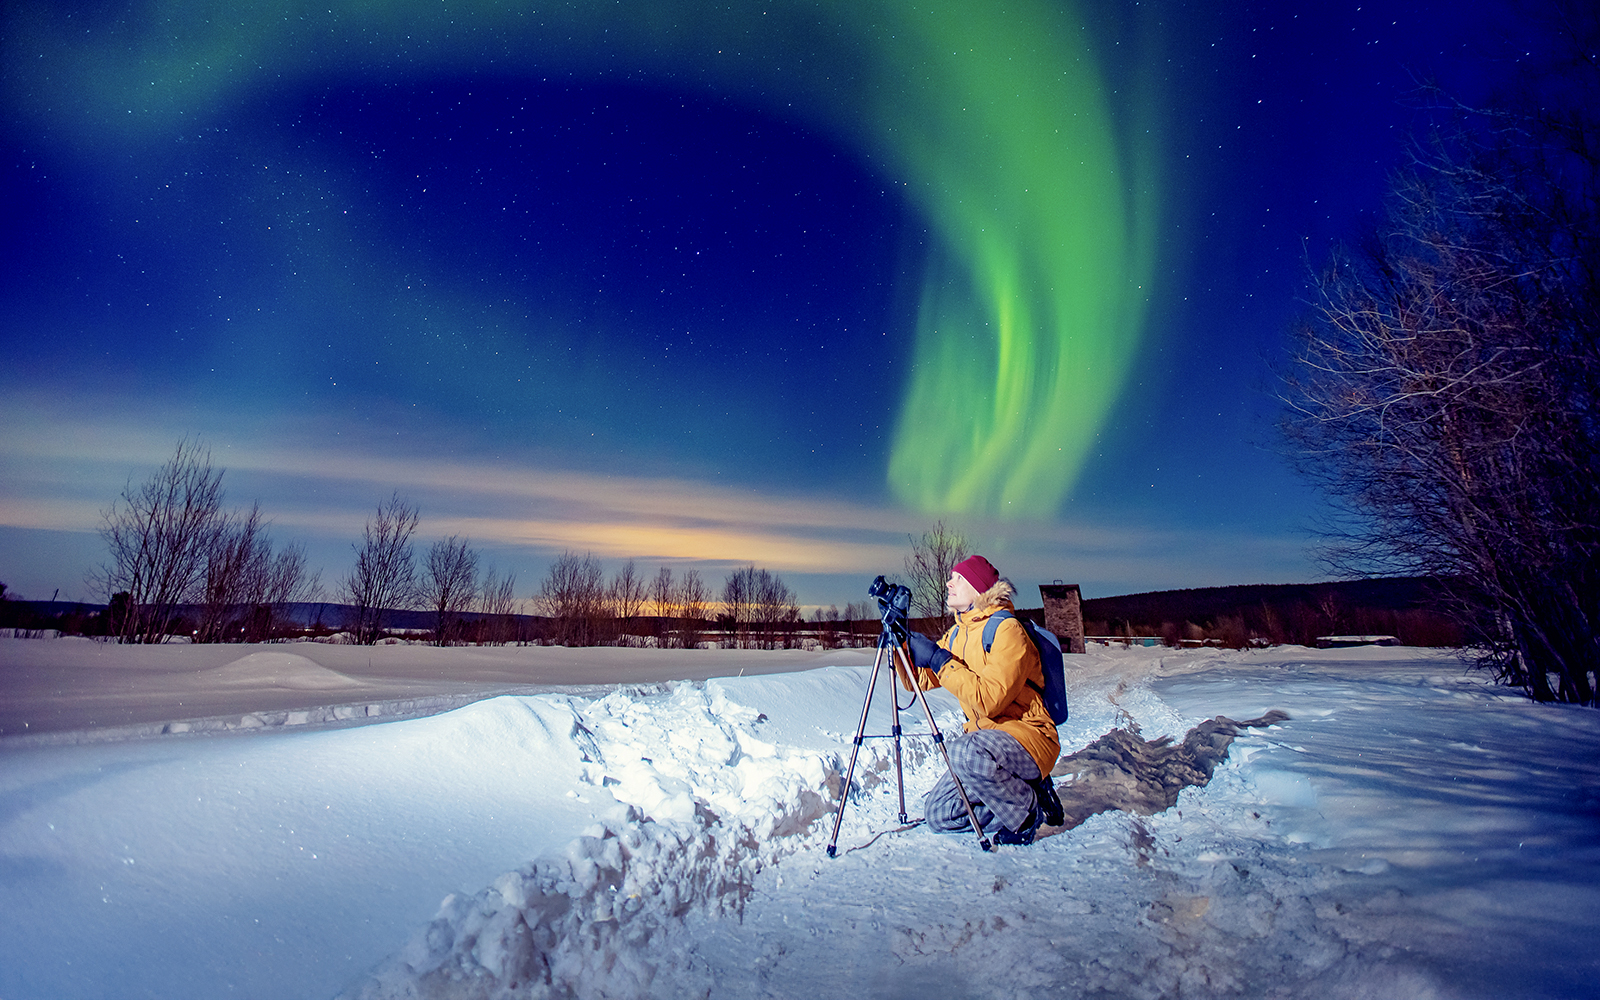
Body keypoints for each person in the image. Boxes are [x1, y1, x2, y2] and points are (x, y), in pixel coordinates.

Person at [905, 555, 1061, 844]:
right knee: (939, 814)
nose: (949, 583)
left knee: (963, 751)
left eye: (958, 578)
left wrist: (940, 660)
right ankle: (1027, 793)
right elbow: (918, 682)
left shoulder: (1007, 630)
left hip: (1028, 736)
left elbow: (989, 700)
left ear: (978, 589)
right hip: (985, 747)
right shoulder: (956, 635)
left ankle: (1024, 815)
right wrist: (900, 642)